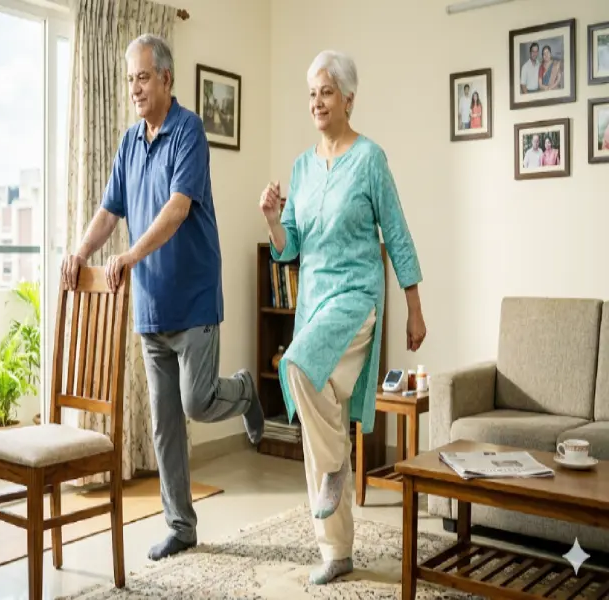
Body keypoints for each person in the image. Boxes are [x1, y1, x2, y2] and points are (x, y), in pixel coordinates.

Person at [62, 34, 264, 561]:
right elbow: (110, 210)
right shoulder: (130, 141)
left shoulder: (189, 131)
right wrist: (81, 252)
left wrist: (128, 257)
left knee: (196, 401)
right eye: (129, 78)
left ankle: (244, 391)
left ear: (167, 79)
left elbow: (176, 209)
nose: (134, 87)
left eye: (143, 77)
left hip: (194, 295)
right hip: (150, 305)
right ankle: (181, 525)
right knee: (165, 423)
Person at [259, 50, 426, 585]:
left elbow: (396, 233)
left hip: (356, 298)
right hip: (314, 300)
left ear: (348, 100)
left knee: (298, 367)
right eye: (311, 93)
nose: (317, 102)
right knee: (321, 417)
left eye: (326, 92)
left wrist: (415, 309)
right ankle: (337, 551)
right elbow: (287, 249)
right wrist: (270, 218)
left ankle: (334, 468)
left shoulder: (370, 159)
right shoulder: (302, 168)